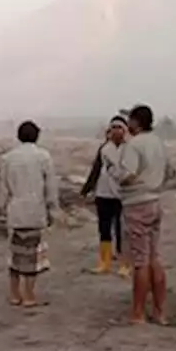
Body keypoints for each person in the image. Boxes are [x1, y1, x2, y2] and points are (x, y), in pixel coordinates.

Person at [107, 104, 171, 325]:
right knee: (154, 257)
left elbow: (128, 174)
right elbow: (169, 172)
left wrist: (115, 174)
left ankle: (138, 312)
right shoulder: (158, 143)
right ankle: (160, 311)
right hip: (155, 201)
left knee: (140, 261)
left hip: (137, 204)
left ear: (135, 122)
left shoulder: (134, 145)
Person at [0, 120, 59, 307]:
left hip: (15, 211)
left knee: (15, 255)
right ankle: (29, 295)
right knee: (32, 256)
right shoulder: (43, 157)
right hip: (35, 210)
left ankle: (15, 294)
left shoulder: (7, 158)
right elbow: (50, 186)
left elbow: (4, 189)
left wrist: (3, 209)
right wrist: (52, 208)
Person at [80, 115, 128, 277]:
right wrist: (86, 190)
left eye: (119, 127)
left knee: (122, 231)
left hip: (122, 196)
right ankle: (104, 262)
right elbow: (95, 170)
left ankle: (124, 263)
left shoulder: (129, 149)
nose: (116, 130)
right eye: (113, 127)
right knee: (104, 229)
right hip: (103, 194)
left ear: (125, 130)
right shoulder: (104, 149)